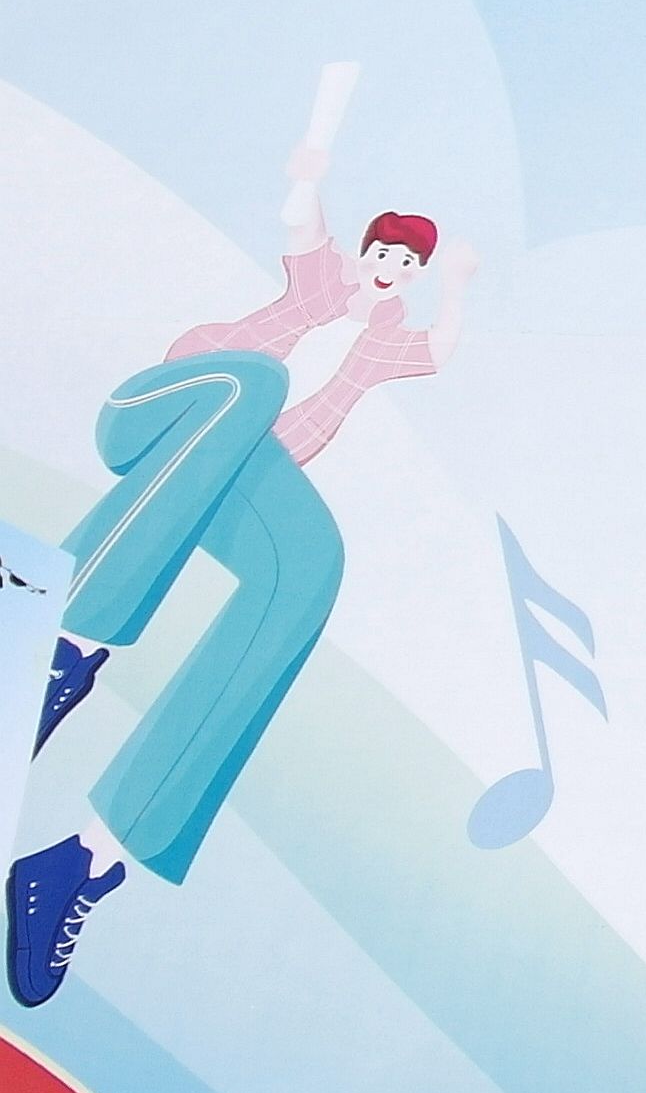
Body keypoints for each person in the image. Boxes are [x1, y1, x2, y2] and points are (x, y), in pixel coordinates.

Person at [23, 101, 472, 1006]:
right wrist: (310, 169)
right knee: (255, 379)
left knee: (307, 571)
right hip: (168, 413)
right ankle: (52, 652)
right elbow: (301, 222)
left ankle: (83, 862)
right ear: (365, 253)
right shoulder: (322, 285)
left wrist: (458, 283)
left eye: (407, 265)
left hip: (238, 472)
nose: (389, 270)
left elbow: (442, 345)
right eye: (383, 253)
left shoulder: (385, 341)